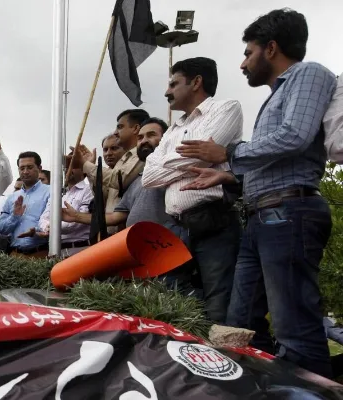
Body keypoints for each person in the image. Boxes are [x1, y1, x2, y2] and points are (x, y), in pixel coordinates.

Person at [177, 9, 338, 378]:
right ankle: (264, 386)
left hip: (288, 213)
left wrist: (229, 153)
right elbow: (276, 158)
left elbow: (294, 136)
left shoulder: (308, 74)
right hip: (263, 217)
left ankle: (310, 392)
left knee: (294, 325)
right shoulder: (276, 95)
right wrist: (228, 176)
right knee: (241, 322)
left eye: (248, 53)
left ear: (272, 48)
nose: (242, 63)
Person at [141, 57, 244, 324]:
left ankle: (222, 351)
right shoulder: (173, 129)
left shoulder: (226, 108)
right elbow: (148, 177)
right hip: (176, 227)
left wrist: (169, 162)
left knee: (219, 303)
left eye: (174, 84)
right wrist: (189, 160)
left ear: (196, 82)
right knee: (171, 302)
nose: (167, 91)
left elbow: (201, 157)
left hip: (214, 222)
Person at [0, 152, 50, 259]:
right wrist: (14, 216)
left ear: (39, 168)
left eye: (30, 167)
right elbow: (2, 229)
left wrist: (35, 231)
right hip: (15, 255)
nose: (25, 172)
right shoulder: (12, 197)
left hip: (41, 253)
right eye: (22, 168)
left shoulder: (50, 192)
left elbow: (53, 223)